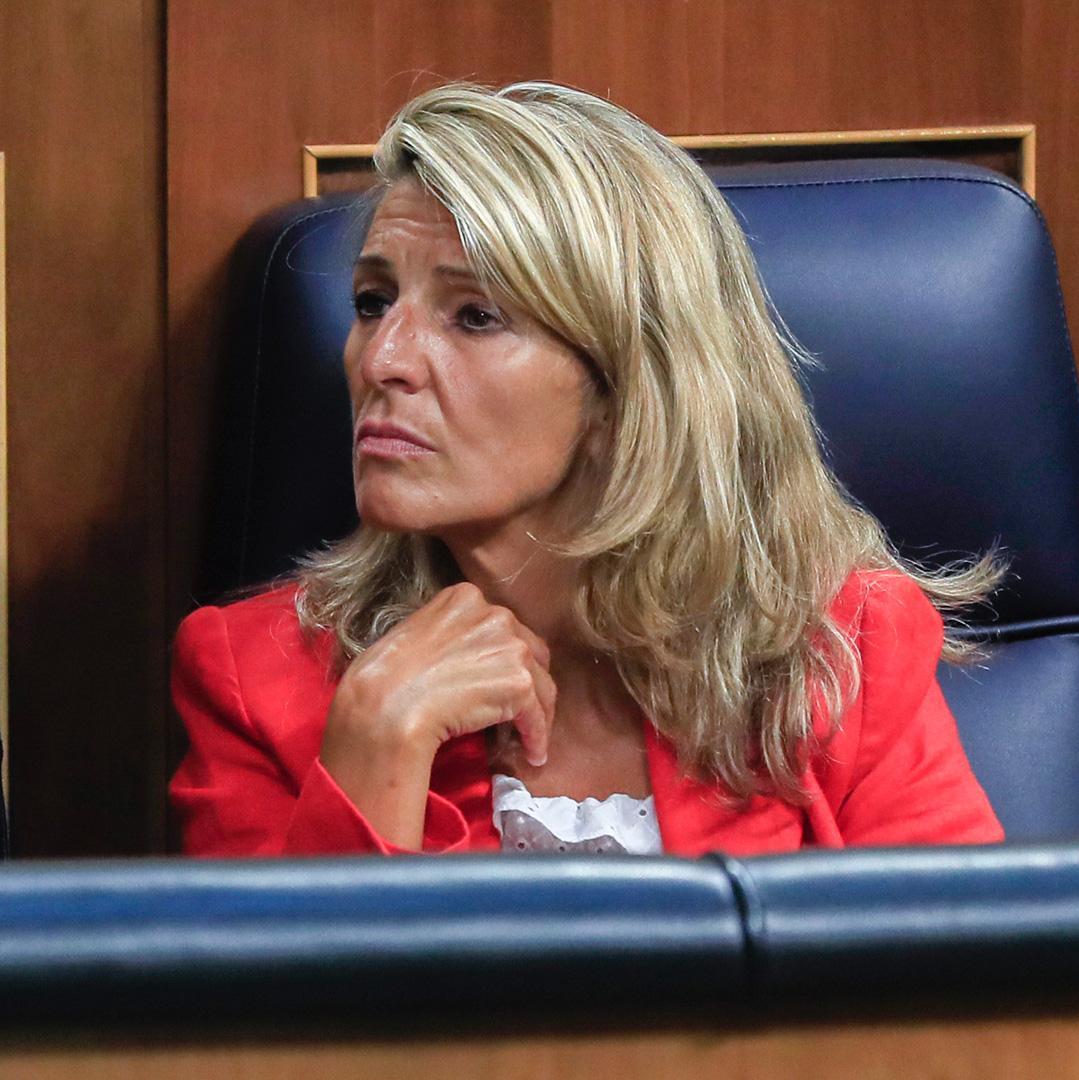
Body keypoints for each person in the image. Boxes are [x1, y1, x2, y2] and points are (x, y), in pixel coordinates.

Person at [171, 81, 1006, 858]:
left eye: (473, 316)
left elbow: (976, 994)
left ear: (622, 387)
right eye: (371, 302)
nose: (382, 358)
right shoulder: (253, 679)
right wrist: (371, 754)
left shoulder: (838, 653)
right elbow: (261, 1016)